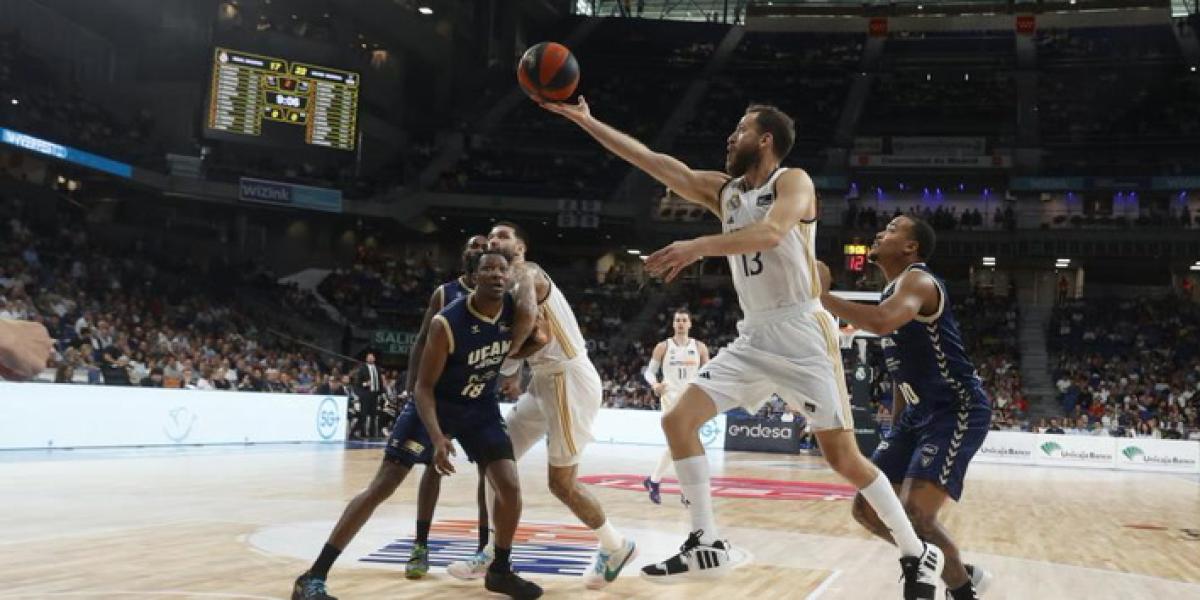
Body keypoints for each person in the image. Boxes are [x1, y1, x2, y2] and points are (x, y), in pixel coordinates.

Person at [542, 97, 943, 598]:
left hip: (802, 333)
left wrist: (696, 246)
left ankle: (915, 552)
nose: (731, 137)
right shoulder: (727, 193)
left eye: (741, 129)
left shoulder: (792, 182)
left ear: (765, 139)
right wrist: (587, 120)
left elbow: (772, 233)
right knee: (677, 420)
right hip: (755, 334)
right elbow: (653, 162)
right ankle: (705, 539)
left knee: (844, 459)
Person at [292, 251, 547, 600]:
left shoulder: (513, 312)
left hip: (480, 408)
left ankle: (500, 570)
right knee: (383, 486)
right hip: (436, 406)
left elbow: (530, 339)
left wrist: (535, 339)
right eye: (487, 269)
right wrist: (438, 437)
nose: (496, 275)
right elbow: (423, 388)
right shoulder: (448, 322)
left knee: (510, 485)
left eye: (502, 269)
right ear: (472, 277)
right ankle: (312, 576)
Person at [447, 221, 637, 590]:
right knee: (495, 461)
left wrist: (504, 365)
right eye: (491, 236)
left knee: (561, 484)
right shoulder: (506, 283)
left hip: (568, 380)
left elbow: (531, 318)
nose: (494, 240)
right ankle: (490, 552)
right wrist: (513, 367)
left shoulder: (528, 274)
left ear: (521, 246)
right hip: (544, 380)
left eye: (503, 235)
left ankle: (616, 545)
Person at [819, 216, 994, 600]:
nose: (881, 232)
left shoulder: (918, 280)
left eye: (893, 228)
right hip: (917, 416)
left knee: (917, 514)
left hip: (955, 408)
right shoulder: (890, 292)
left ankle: (959, 588)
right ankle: (951, 568)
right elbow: (903, 375)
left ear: (911, 247)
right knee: (867, 509)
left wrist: (823, 296)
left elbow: (881, 324)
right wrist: (898, 434)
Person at [399, 234, 492, 579]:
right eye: (472, 245)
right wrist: (411, 386)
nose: (476, 249)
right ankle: (420, 545)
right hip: (444, 396)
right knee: (431, 468)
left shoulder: (502, 296)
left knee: (491, 473)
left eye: (483, 246)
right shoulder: (445, 293)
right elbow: (423, 341)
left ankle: (485, 548)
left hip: (480, 396)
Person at [642, 307, 709, 504]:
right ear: (673, 324)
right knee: (681, 443)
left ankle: (654, 481)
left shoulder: (700, 347)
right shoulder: (663, 347)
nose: (680, 323)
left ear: (690, 324)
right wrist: (654, 385)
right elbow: (649, 372)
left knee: (681, 445)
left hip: (691, 398)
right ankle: (684, 491)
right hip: (670, 398)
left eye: (683, 320)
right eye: (677, 320)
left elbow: (708, 373)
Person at [354, 353, 383, 439]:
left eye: (372, 357)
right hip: (366, 394)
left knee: (374, 414)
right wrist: (365, 383)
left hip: (375, 394)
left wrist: (381, 392)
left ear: (374, 359)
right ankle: (361, 432)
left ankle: (372, 433)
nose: (370, 359)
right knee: (364, 414)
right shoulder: (362, 369)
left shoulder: (377, 368)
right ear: (366, 359)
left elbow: (380, 381)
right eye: (369, 357)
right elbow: (358, 382)